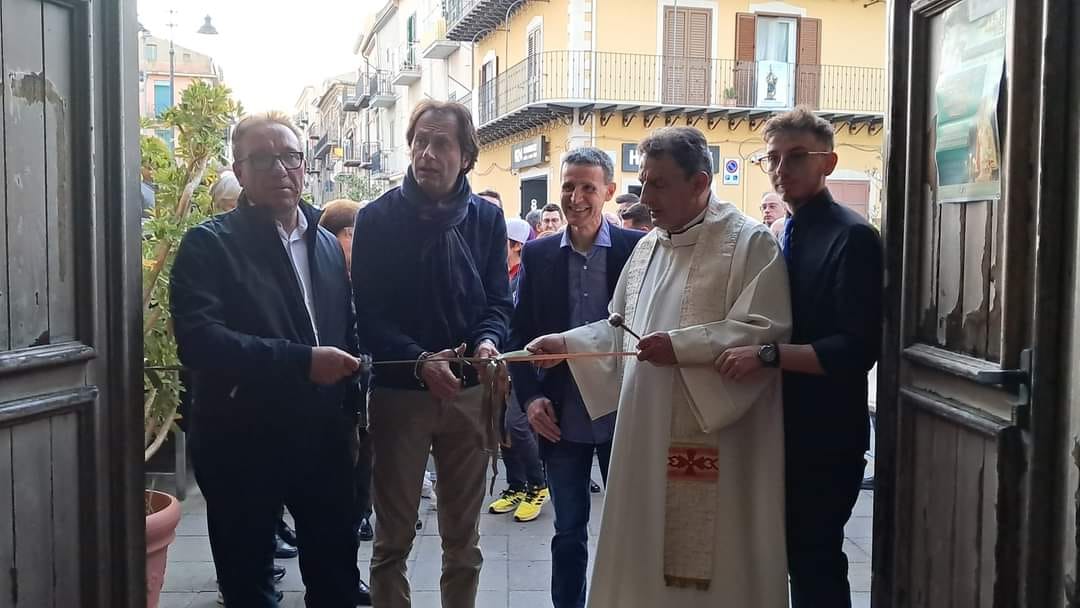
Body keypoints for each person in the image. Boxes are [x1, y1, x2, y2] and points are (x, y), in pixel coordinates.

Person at [527, 127, 791, 607]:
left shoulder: (748, 243)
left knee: (715, 553)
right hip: (645, 436)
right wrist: (566, 343)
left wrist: (682, 347)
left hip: (718, 443)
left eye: (659, 185)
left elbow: (765, 333)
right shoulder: (649, 247)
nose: (645, 198)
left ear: (700, 183)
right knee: (645, 545)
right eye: (644, 183)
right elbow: (619, 329)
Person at [170, 112, 370, 607]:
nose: (281, 169)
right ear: (238, 170)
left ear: (305, 165)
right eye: (263, 158)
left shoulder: (324, 242)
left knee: (337, 579)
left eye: (291, 157)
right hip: (242, 441)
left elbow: (343, 326)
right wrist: (301, 361)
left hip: (322, 441)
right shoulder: (208, 245)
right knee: (249, 586)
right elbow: (199, 341)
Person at [351, 100, 513, 608]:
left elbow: (497, 303)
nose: (427, 152)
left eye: (441, 142)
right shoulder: (376, 219)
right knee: (391, 541)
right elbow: (369, 316)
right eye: (420, 140)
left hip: (469, 394)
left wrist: (488, 342)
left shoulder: (487, 218)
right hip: (401, 396)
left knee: (463, 543)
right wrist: (420, 360)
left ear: (466, 155)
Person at [729, 108, 883, 607]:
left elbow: (856, 349)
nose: (781, 168)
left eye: (796, 156)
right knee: (786, 555)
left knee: (815, 560)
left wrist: (768, 354)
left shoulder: (852, 236)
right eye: (772, 158)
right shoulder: (780, 234)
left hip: (826, 432)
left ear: (829, 163)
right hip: (781, 423)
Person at [511, 147, 646, 608]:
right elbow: (521, 334)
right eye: (568, 186)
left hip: (624, 412)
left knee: (630, 529)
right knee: (568, 531)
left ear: (609, 191)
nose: (576, 197)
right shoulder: (539, 253)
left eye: (588, 187)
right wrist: (530, 401)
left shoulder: (637, 250)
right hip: (561, 416)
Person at [318, 198, 375, 545]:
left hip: (366, 385)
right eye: (353, 234)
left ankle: (362, 513)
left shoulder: (367, 275)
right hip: (333, 393)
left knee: (367, 453)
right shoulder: (323, 278)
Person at [486, 215, 550, 523]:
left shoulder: (527, 276)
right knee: (500, 427)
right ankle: (516, 484)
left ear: (515, 246)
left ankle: (538, 485)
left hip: (520, 364)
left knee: (517, 424)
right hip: (496, 365)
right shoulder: (496, 275)